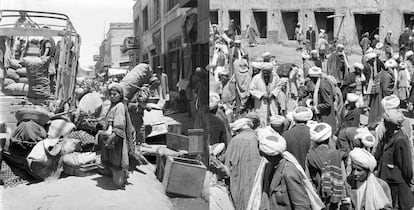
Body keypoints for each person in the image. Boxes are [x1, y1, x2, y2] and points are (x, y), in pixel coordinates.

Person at [252, 127, 315, 209]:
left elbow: (302, 205)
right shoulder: (269, 167)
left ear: (269, 155)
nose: (261, 155)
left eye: (262, 153)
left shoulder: (289, 173)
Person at [374, 109, 414, 210]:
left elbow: (406, 166)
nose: (384, 124)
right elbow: (378, 154)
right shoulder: (387, 135)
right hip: (385, 180)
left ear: (393, 125)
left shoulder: (400, 139)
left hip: (396, 184)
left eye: (386, 122)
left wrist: (409, 180)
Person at [98, 83, 135, 188]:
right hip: (112, 137)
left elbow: (119, 126)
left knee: (117, 161)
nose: (112, 96)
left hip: (117, 139)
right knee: (112, 159)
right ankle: (115, 173)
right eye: (111, 94)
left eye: (115, 94)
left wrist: (111, 138)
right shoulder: (112, 106)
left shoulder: (119, 106)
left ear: (120, 95)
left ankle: (121, 175)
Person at [306, 123, 346, 208]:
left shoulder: (310, 155)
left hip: (317, 197)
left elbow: (308, 179)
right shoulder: (337, 155)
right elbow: (343, 178)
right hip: (334, 197)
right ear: (328, 139)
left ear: (315, 141)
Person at [225, 118, 261, 210]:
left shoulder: (234, 141)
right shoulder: (258, 138)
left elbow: (227, 167)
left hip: (239, 184)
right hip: (257, 183)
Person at [249, 62, 280, 127]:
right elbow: (252, 89)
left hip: (272, 101)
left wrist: (273, 94)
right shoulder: (256, 78)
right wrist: (262, 95)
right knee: (261, 121)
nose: (266, 75)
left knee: (273, 120)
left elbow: (279, 86)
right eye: (264, 73)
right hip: (261, 103)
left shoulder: (275, 77)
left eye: (267, 73)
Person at [308, 67, 337, 133]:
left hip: (326, 118)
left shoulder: (323, 86)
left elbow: (328, 103)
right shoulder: (321, 83)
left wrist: (315, 108)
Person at [367, 59, 396, 125]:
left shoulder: (380, 73)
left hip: (375, 96)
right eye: (393, 68)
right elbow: (386, 90)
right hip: (381, 97)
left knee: (374, 111)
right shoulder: (387, 76)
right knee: (380, 113)